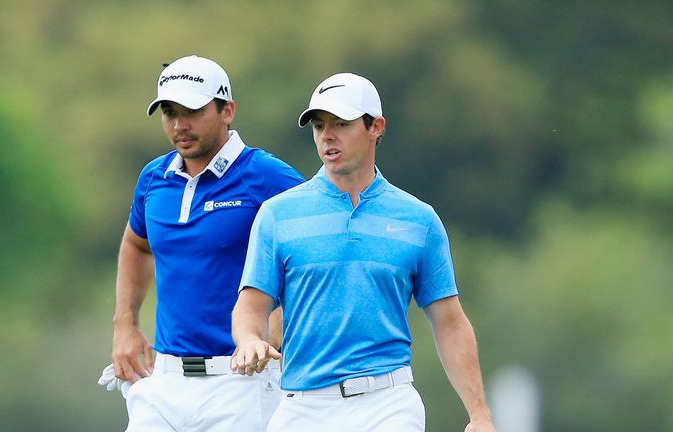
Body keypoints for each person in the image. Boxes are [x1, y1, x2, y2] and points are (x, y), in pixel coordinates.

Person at [231, 72, 496, 432]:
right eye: (319, 125)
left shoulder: (418, 219)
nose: (327, 135)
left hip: (387, 402)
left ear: (376, 127)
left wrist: (480, 415)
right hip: (302, 404)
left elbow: (450, 323)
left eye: (341, 124)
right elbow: (251, 306)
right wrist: (249, 339)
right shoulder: (277, 214)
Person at [101, 55, 304, 432]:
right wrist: (124, 324)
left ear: (227, 111)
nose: (180, 125)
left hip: (242, 382)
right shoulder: (154, 178)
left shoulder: (266, 176)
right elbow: (137, 245)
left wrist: (280, 319)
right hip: (163, 381)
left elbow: (317, 254)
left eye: (192, 112)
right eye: (169, 113)